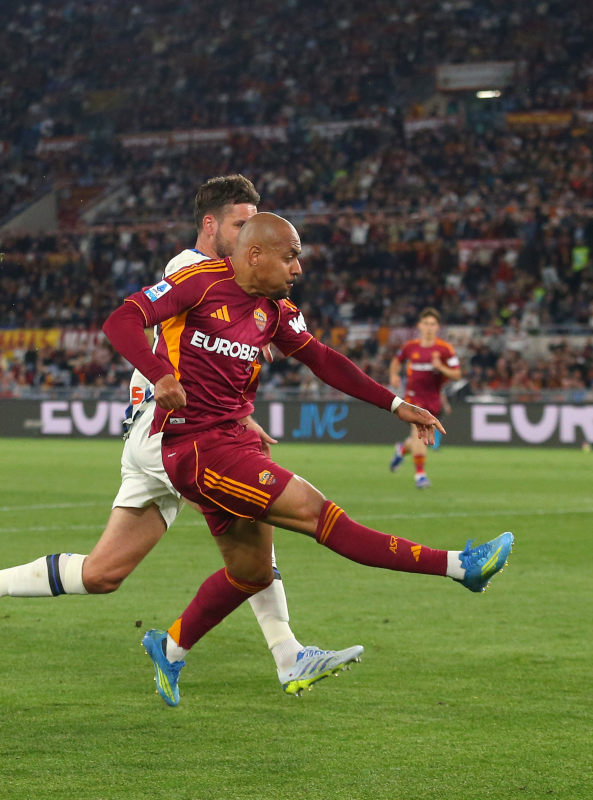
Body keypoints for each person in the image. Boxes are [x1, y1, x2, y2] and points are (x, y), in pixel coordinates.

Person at [0, 176, 363, 696]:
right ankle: (287, 656)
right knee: (251, 517)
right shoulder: (190, 269)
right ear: (210, 225)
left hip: (156, 436)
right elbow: (173, 342)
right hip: (168, 432)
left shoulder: (236, 283)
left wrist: (236, 410)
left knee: (103, 574)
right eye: (240, 224)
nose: (252, 234)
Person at [102, 212, 513, 706]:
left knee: (252, 573)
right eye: (290, 256)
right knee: (320, 515)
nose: (298, 268)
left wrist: (396, 405)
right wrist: (159, 373)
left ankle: (169, 647)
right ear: (255, 254)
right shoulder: (198, 282)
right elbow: (121, 320)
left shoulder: (274, 310)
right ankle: (459, 567)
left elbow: (322, 359)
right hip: (197, 448)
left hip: (234, 440)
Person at [387, 308, 461, 488]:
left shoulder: (445, 349)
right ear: (419, 326)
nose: (429, 327)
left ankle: (402, 449)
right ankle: (420, 475)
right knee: (418, 433)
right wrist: (394, 375)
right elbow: (396, 361)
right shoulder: (410, 346)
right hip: (412, 398)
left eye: (432, 324)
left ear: (438, 327)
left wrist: (440, 367)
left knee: (420, 437)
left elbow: (457, 374)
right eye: (426, 323)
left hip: (434, 399)